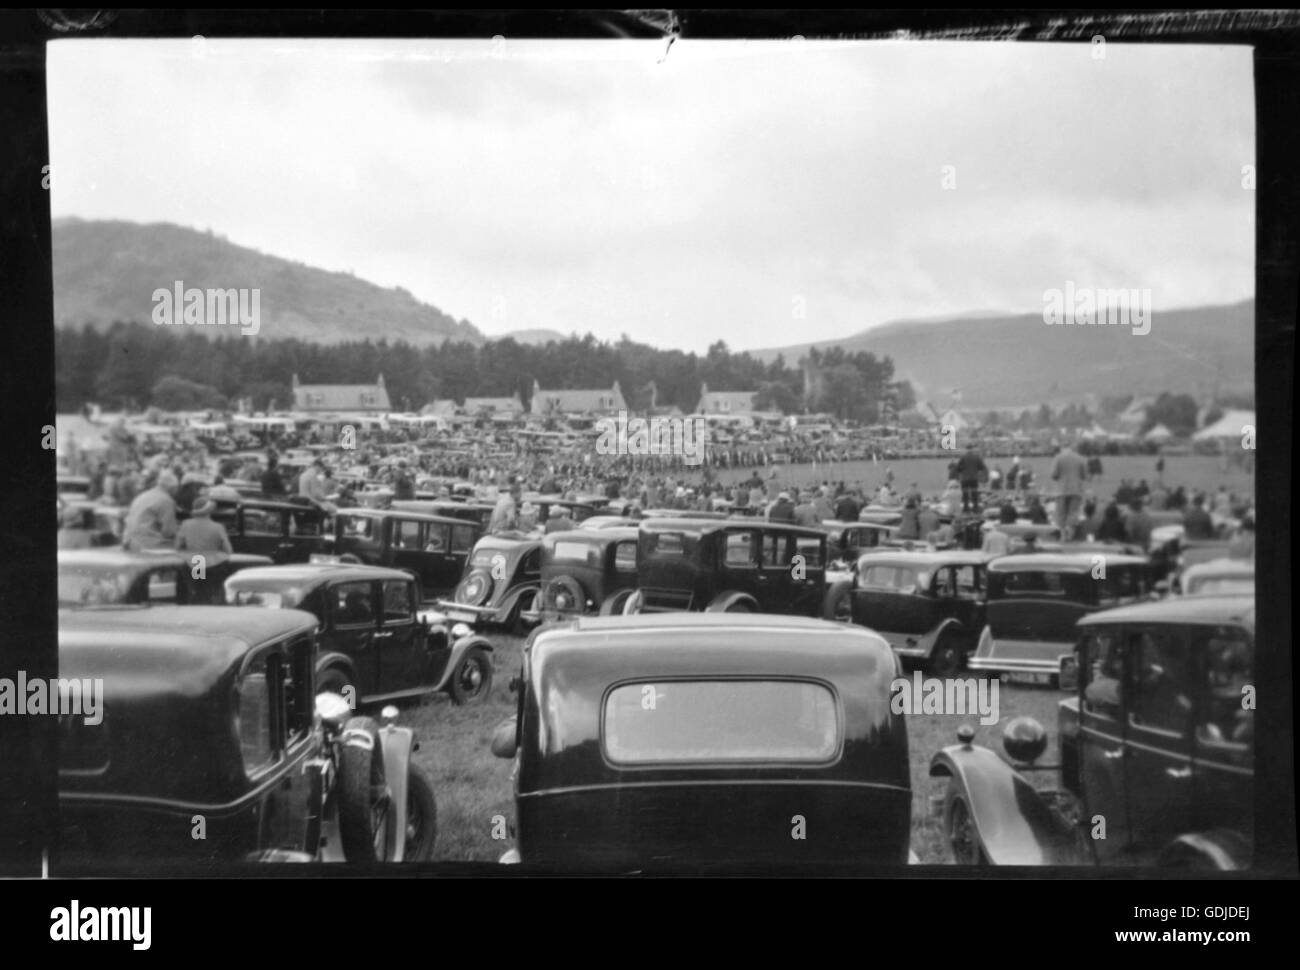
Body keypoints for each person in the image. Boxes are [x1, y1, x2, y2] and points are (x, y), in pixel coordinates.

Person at [122, 471, 180, 551]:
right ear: (172, 488)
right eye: (177, 488)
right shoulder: (166, 500)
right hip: (147, 543)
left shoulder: (143, 495)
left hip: (128, 539)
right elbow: (168, 532)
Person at [1049, 440, 1088, 534]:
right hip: (1076, 489)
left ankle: (1062, 533)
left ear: (1062, 448)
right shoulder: (1080, 458)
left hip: (1061, 490)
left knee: (1061, 512)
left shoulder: (1058, 458)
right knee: (1073, 512)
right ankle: (1070, 531)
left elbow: (1054, 475)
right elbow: (1084, 476)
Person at [955, 444, 987, 512]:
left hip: (965, 479)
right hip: (974, 478)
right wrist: (976, 469)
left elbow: (957, 468)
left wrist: (963, 469)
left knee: (965, 494)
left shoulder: (963, 457)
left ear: (966, 449)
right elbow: (982, 467)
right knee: (974, 494)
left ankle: (966, 508)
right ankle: (975, 508)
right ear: (972, 449)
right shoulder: (976, 457)